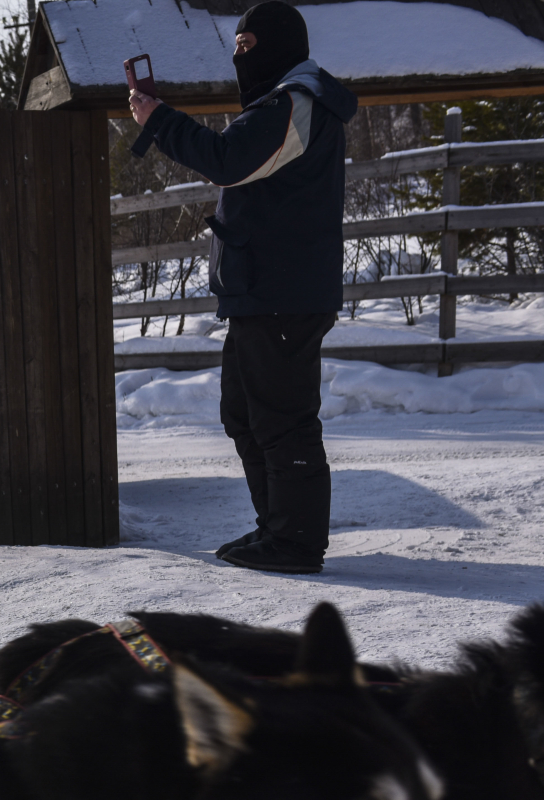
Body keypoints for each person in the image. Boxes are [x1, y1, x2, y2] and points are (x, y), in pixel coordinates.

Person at [130, 2, 358, 575]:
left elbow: (228, 159)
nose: (239, 58)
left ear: (280, 46)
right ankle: (277, 529)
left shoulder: (296, 104)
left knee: (282, 420)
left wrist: (159, 119)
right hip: (265, 289)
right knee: (244, 414)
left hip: (284, 289)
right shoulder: (283, 104)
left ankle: (296, 542)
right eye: (236, 47)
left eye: (248, 46)